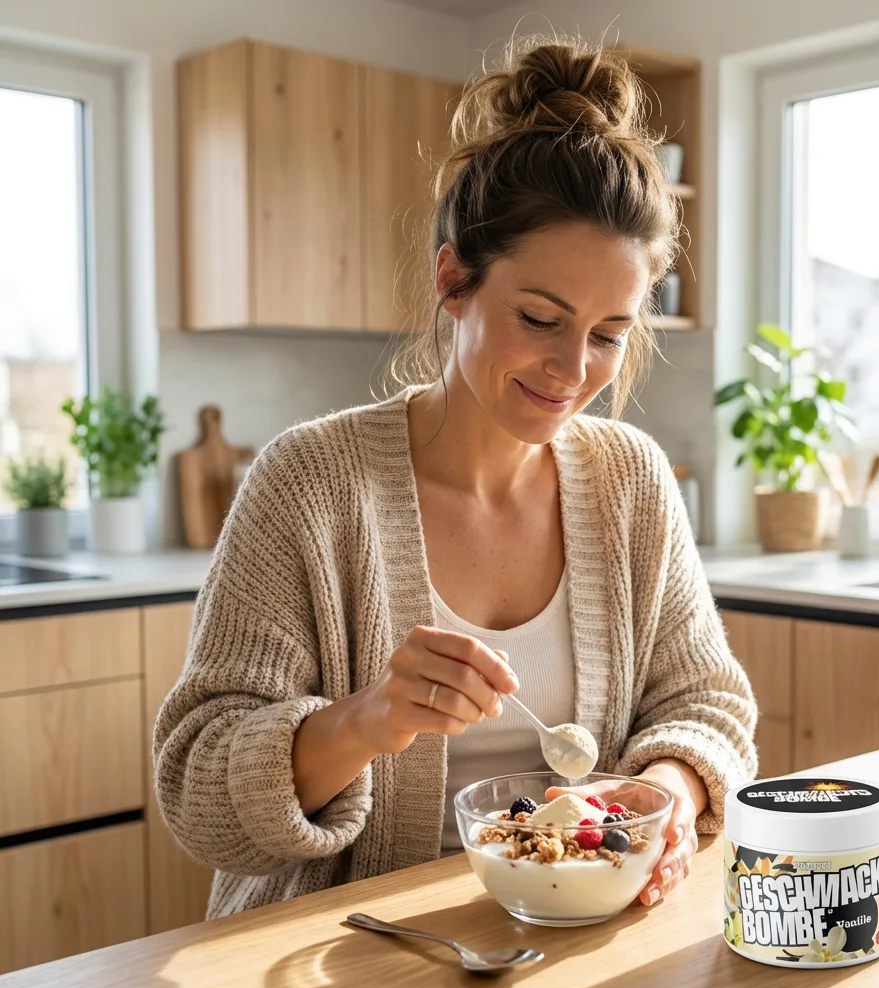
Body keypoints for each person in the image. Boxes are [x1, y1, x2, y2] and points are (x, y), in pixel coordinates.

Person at [154, 37, 757, 920]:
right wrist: (368, 720)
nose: (571, 368)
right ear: (453, 280)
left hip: (569, 938)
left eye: (608, 333)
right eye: (540, 317)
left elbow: (709, 703)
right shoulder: (310, 484)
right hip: (338, 952)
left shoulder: (631, 480)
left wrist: (665, 793)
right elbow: (196, 788)